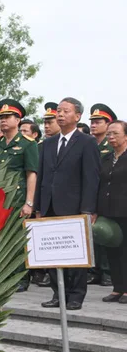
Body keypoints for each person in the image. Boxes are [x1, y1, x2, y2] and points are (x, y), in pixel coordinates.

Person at [35, 97, 100, 310]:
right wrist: (38, 208)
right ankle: (58, 293)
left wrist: (88, 209)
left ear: (77, 116)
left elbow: (91, 178)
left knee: (75, 253)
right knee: (52, 253)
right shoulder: (48, 143)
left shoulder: (87, 142)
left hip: (74, 207)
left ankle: (76, 295)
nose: (60, 115)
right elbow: (42, 176)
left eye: (65, 111)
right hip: (49, 206)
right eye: (58, 111)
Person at [0, 99, 39, 292]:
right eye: (1, 117)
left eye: (7, 117)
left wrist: (29, 202)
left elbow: (31, 173)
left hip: (18, 198)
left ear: (18, 119)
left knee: (18, 239)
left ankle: (21, 278)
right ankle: (2, 276)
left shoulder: (28, 144)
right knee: (0, 237)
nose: (3, 120)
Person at [96, 120, 127, 303]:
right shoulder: (106, 158)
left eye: (115, 133)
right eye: (108, 134)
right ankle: (117, 287)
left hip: (125, 210)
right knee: (112, 250)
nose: (111, 137)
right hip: (108, 211)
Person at [88, 104, 118, 286]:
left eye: (98, 122)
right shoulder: (90, 143)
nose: (93, 125)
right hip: (94, 194)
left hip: (109, 196)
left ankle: (107, 273)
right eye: (92, 122)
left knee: (107, 234)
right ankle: (96, 271)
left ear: (108, 124)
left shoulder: (111, 145)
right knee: (94, 235)